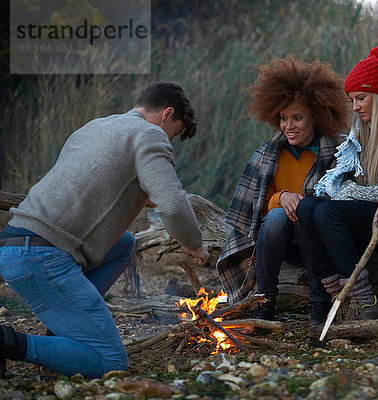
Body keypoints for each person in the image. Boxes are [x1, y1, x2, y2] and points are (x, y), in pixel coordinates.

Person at [0, 82, 208, 378]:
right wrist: (195, 244)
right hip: (44, 257)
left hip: (13, 244)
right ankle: (9, 342)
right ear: (167, 114)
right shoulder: (149, 135)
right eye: (173, 133)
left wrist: (141, 193)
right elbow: (173, 204)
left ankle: (64, 333)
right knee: (110, 361)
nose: (169, 142)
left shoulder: (96, 126)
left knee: (124, 244)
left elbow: (86, 185)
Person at [216, 57, 349, 325]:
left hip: (322, 243)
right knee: (277, 215)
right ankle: (265, 301)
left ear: (317, 114)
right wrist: (281, 197)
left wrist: (302, 206)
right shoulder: (268, 155)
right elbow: (256, 210)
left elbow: (346, 202)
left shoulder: (339, 151)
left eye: (297, 118)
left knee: (306, 211)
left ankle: (319, 303)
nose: (288, 126)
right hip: (279, 244)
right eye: (284, 118)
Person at [296, 46, 378, 321]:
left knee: (326, 211)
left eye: (360, 98)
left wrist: (344, 192)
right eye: (351, 99)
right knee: (308, 207)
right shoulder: (359, 133)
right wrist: (338, 190)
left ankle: (365, 302)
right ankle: (337, 295)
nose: (354, 106)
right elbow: (338, 179)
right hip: (362, 216)